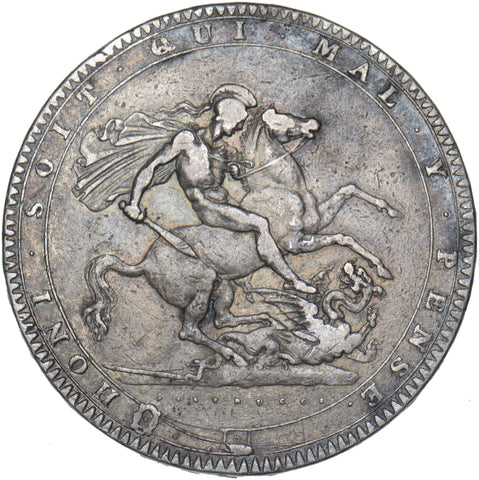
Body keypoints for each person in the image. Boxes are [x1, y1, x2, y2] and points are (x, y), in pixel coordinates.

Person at [122, 84, 315, 294]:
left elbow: (228, 175)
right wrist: (134, 202)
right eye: (239, 121)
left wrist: (233, 169)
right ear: (225, 116)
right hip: (207, 207)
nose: (240, 127)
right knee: (260, 223)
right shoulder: (187, 141)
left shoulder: (221, 149)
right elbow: (151, 166)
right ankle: (292, 279)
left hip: (225, 203)